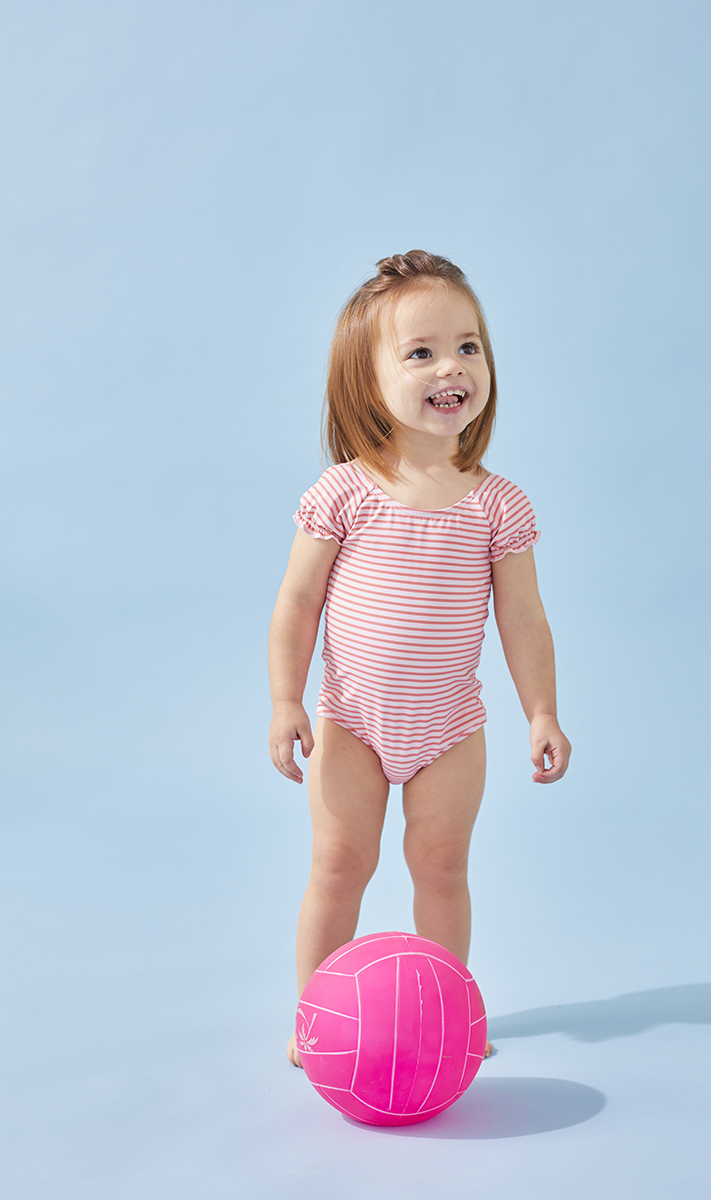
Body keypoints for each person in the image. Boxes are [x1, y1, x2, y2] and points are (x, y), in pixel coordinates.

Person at [267, 250, 571, 1067]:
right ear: (368, 384)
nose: (453, 368)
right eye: (422, 352)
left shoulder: (498, 503)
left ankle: (449, 1015)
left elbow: (523, 614)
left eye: (469, 346)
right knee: (339, 866)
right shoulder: (344, 492)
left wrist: (540, 709)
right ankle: (315, 1018)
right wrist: (286, 700)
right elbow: (297, 604)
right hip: (353, 721)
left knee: (442, 868)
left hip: (448, 726)